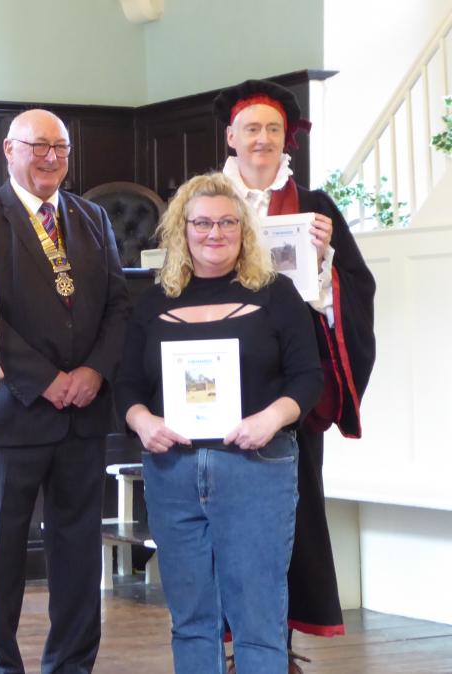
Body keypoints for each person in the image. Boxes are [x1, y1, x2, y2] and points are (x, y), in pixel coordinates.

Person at [115, 172, 323, 674]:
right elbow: (126, 388)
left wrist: (271, 419)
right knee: (190, 619)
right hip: (173, 472)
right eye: (203, 222)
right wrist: (142, 422)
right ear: (181, 229)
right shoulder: (152, 302)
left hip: (257, 467)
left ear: (244, 229)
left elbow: (308, 378)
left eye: (228, 222)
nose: (215, 233)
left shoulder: (277, 294)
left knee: (258, 621)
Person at [0, 108, 131, 674]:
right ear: (9, 149)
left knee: (77, 559)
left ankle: (71, 665)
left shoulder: (93, 217)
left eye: (61, 148)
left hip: (82, 417)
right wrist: (47, 380)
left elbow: (120, 304)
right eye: (38, 146)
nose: (51, 158)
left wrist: (94, 372)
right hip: (7, 416)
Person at [214, 79, 376, 672]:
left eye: (273, 130)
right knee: (220, 520)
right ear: (230, 136)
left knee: (289, 522)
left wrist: (326, 263)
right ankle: (226, 649)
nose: (262, 139)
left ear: (289, 140)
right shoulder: (202, 201)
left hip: (292, 391)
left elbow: (356, 291)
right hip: (218, 383)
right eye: (251, 128)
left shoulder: (317, 208)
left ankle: (272, 651)